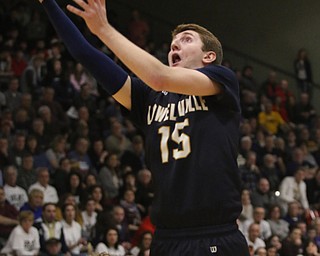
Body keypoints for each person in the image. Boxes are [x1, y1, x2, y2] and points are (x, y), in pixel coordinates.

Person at [39, 1, 249, 255]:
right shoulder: (149, 97)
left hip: (214, 234)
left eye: (186, 39)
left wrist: (104, 29)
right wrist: (48, 3)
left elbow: (158, 75)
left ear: (209, 56)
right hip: (166, 237)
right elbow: (85, 54)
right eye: (174, 41)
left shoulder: (221, 81)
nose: (175, 43)